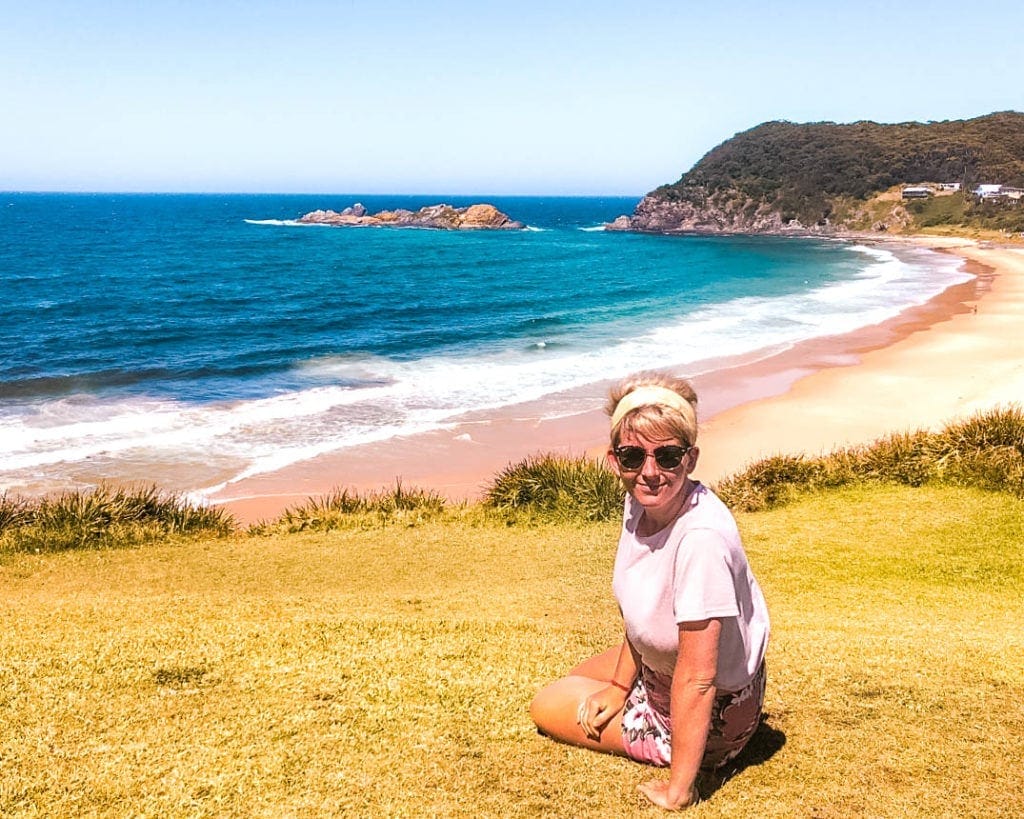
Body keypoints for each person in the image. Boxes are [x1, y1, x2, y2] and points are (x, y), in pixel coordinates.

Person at [529, 371, 770, 811]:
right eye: (632, 456)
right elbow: (641, 610)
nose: (650, 472)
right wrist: (621, 686)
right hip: (665, 667)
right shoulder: (640, 499)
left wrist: (680, 789)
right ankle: (633, 691)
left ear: (691, 457)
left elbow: (698, 679)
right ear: (614, 458)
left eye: (669, 455)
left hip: (713, 716)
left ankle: (677, 748)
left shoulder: (701, 540)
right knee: (575, 681)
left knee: (548, 703)